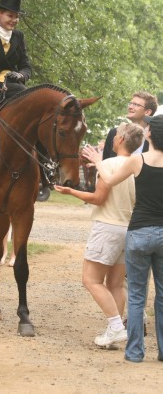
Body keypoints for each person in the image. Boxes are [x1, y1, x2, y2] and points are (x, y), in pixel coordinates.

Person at [55, 122, 144, 347]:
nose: (113, 138)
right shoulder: (139, 165)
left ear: (122, 139)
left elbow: (99, 199)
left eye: (115, 135)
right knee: (115, 284)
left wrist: (71, 191)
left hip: (107, 226)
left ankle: (116, 326)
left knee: (91, 280)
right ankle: (113, 334)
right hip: (129, 229)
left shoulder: (109, 165)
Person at [82, 115, 163, 362]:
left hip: (138, 232)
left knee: (137, 296)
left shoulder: (137, 161)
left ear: (149, 135)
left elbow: (110, 179)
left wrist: (98, 160)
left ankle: (135, 352)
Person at [103, 91, 157, 160]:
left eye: (136, 105)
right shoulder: (114, 133)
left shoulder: (156, 136)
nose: (130, 107)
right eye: (130, 103)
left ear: (147, 112)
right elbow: (106, 161)